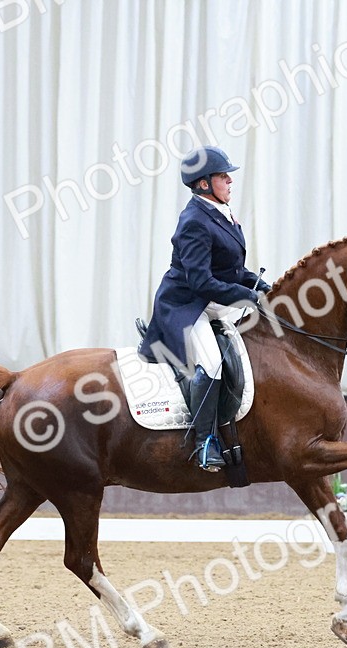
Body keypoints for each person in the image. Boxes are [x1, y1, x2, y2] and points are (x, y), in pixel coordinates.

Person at [138, 146, 269, 472]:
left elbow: (232, 270)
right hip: (187, 305)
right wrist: (245, 295)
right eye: (223, 176)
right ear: (203, 184)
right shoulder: (194, 221)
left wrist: (260, 286)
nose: (229, 181)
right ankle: (204, 442)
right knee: (212, 364)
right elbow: (201, 282)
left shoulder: (220, 213)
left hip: (212, 302)